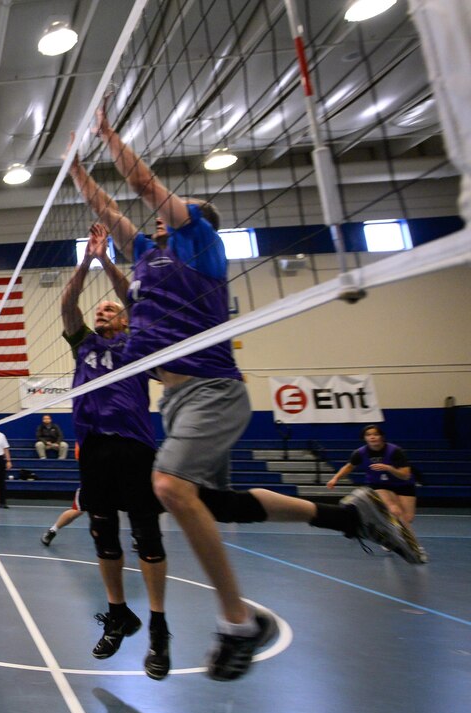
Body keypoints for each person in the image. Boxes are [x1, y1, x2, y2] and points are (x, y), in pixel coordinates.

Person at [71, 120, 426, 681]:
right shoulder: (144, 257)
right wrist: (74, 169)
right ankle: (345, 516)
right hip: (180, 404)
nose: (163, 215)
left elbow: (140, 184)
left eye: (174, 210)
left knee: (167, 487)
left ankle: (237, 623)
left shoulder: (202, 248)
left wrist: (109, 135)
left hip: (213, 390)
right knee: (211, 504)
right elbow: (111, 208)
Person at [59, 235, 171, 679]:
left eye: (110, 309)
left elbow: (132, 297)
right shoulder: (83, 343)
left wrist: (106, 257)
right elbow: (68, 304)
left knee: (146, 536)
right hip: (95, 448)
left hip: (135, 445)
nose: (103, 311)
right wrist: (86, 261)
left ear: (125, 320)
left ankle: (159, 630)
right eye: (99, 309)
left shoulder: (137, 343)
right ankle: (119, 613)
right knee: (104, 535)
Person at [327, 425, 425, 558]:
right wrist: (335, 478)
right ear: (365, 438)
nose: (372, 437)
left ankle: (390, 536)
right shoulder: (360, 453)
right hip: (380, 484)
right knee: (394, 510)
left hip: (403, 483)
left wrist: (389, 468)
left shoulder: (395, 451)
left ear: (381, 437)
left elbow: (405, 475)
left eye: (375, 434)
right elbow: (349, 466)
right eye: (368, 435)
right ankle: (414, 547)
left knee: (407, 518)